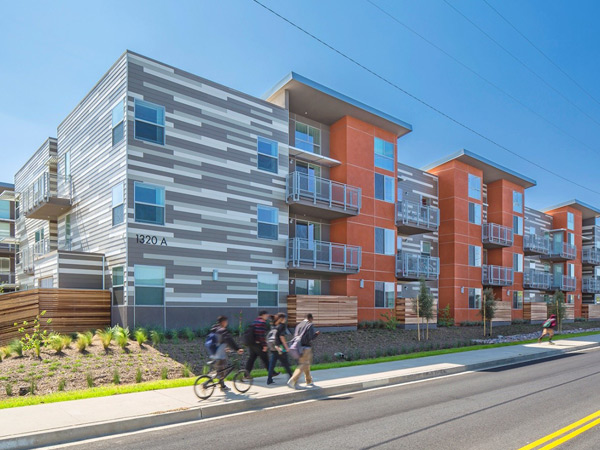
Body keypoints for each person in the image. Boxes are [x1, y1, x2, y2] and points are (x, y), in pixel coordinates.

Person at [210, 315, 243, 392]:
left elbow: (218, 340)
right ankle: (222, 385)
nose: (227, 323)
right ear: (223, 322)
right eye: (226, 322)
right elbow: (230, 340)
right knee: (222, 368)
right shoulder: (222, 330)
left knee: (221, 368)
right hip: (219, 353)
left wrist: (224, 347)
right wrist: (237, 349)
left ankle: (219, 381)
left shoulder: (215, 328)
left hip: (213, 350)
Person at [288, 313, 320, 389]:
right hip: (306, 347)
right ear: (310, 318)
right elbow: (311, 337)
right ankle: (293, 380)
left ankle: (309, 381)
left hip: (298, 347)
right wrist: (316, 334)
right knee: (304, 364)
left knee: (306, 364)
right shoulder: (310, 325)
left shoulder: (298, 325)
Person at [245, 310, 277, 375]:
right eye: (266, 315)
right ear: (263, 315)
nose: (267, 317)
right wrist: (264, 345)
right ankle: (271, 373)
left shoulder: (255, 321)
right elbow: (261, 334)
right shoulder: (262, 322)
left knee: (251, 359)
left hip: (252, 343)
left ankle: (246, 374)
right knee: (265, 359)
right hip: (258, 344)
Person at [267, 313, 293, 385]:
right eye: (285, 318)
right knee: (285, 363)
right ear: (282, 319)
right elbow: (282, 337)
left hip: (273, 347)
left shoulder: (273, 325)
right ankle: (292, 378)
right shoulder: (282, 326)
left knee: (272, 364)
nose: (286, 320)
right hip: (280, 348)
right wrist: (287, 347)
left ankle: (269, 379)